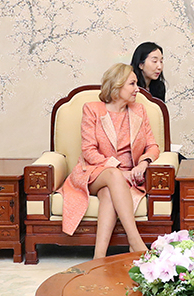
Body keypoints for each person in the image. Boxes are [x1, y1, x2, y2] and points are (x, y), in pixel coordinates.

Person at [62, 63, 160, 259]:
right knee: (113, 176)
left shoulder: (139, 111)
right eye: (132, 84)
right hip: (94, 172)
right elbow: (89, 151)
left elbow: (153, 146)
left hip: (126, 178)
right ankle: (136, 242)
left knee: (108, 194)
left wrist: (143, 163)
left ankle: (98, 258)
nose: (137, 88)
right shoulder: (92, 109)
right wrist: (117, 170)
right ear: (117, 86)